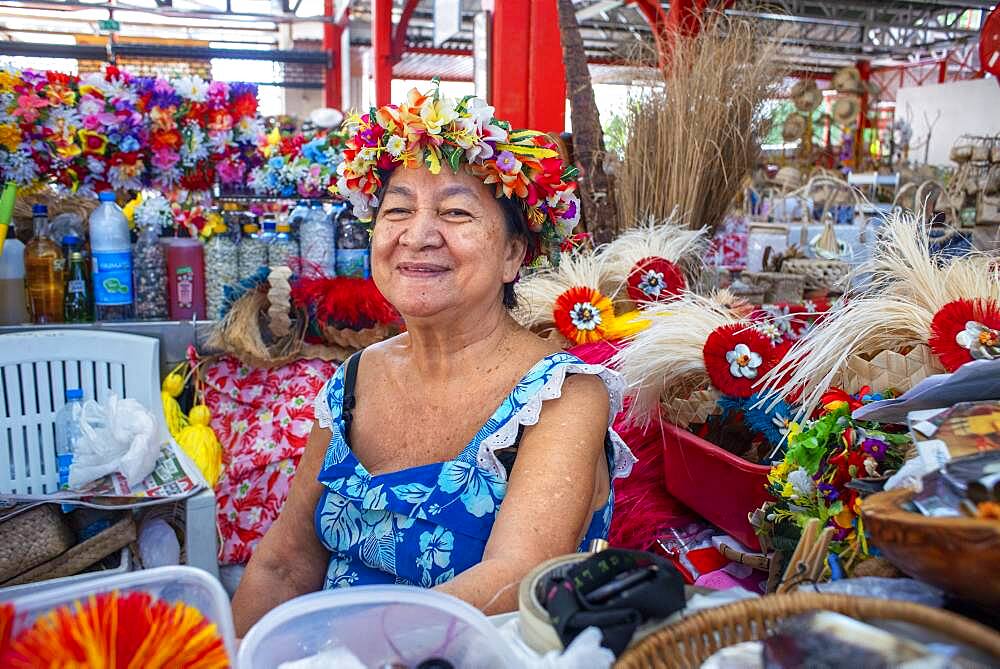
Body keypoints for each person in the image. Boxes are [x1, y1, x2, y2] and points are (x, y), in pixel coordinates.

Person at [232, 84, 634, 635]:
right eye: (397, 209)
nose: (418, 236)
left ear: (514, 254)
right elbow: (284, 564)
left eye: (455, 212)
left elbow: (512, 579)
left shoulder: (562, 396)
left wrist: (352, 652)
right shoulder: (354, 379)